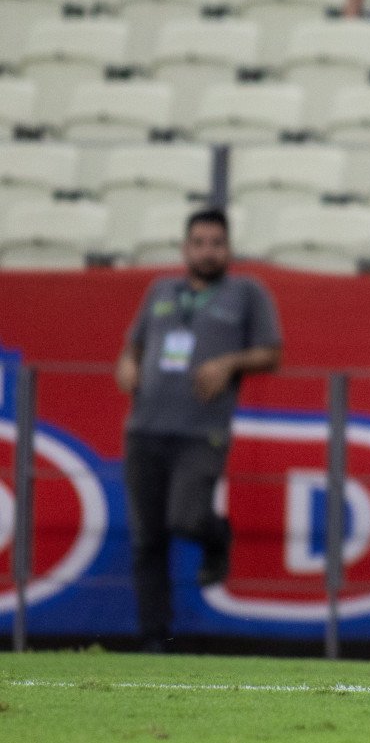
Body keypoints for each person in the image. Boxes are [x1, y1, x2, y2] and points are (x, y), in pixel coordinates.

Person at [115, 208, 282, 652]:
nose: (208, 251)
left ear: (229, 249)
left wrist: (229, 362)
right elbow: (135, 342)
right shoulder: (160, 289)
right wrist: (128, 361)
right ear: (185, 247)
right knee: (146, 538)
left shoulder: (246, 292)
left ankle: (217, 536)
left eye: (217, 243)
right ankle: (155, 637)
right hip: (145, 426)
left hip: (202, 429)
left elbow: (271, 352)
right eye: (200, 242)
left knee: (185, 517)